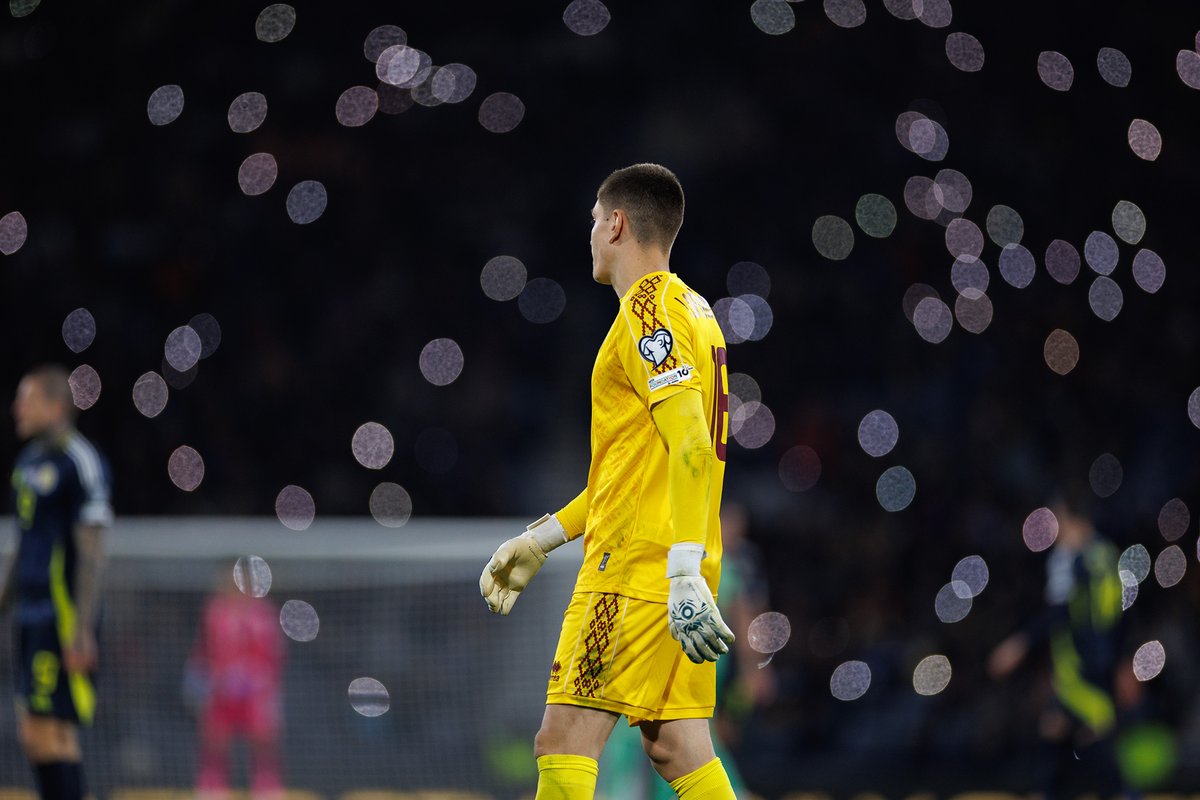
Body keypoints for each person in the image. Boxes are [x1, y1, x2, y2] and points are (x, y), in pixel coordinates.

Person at [480, 163, 738, 799]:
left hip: (637, 574)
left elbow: (692, 447)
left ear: (616, 223)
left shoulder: (646, 316)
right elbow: (630, 473)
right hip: (675, 570)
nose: (591, 235)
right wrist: (542, 539)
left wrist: (677, 570)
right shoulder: (696, 312)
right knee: (678, 748)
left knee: (561, 741)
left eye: (594, 222)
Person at [0, 365, 112, 800]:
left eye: (26, 399)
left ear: (56, 405)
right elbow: (23, 541)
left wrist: (81, 628)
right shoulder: (27, 462)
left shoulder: (80, 462)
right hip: (29, 612)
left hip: (60, 614)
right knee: (38, 733)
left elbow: (91, 552)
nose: (15, 408)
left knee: (50, 733)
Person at [988, 497, 1131, 798]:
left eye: (1058, 520)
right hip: (1104, 656)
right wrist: (1122, 658)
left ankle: (1125, 794)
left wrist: (1020, 642)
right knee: (1056, 726)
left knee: (1094, 734)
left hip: (1078, 662)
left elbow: (1059, 611)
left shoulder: (1068, 557)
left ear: (1071, 519)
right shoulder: (1107, 553)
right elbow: (1122, 613)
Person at [186, 562, 286, 800]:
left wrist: (260, 678)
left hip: (255, 690)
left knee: (262, 739)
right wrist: (201, 678)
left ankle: (267, 787)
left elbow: (274, 653)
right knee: (215, 738)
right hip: (221, 689)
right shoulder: (215, 610)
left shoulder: (263, 612)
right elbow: (205, 648)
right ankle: (212, 786)